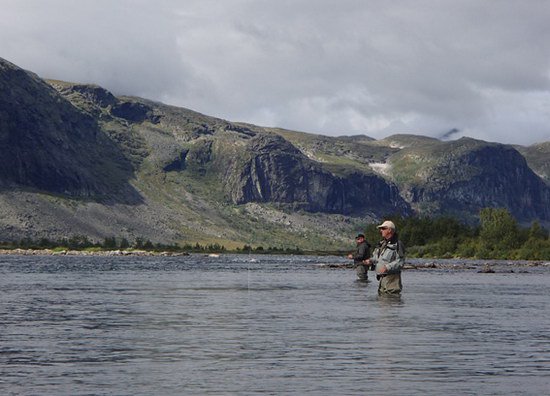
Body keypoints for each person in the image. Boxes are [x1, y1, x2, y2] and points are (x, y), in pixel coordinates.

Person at [364, 220, 405, 294]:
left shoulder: (398, 244)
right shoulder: (381, 244)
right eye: (381, 229)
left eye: (383, 228)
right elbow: (377, 258)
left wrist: (387, 267)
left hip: (392, 281)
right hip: (382, 280)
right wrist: (370, 261)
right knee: (382, 302)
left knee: (392, 303)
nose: (381, 230)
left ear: (389, 230)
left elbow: (401, 261)